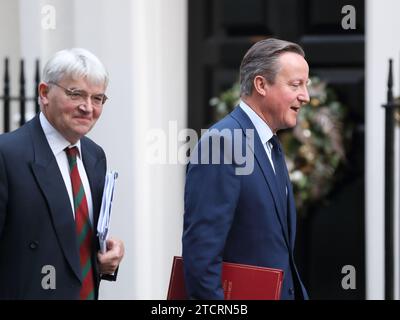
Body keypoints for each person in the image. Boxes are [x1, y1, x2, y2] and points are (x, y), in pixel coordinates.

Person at [182, 38, 310, 300]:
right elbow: (201, 256)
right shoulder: (221, 143)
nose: (305, 96)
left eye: (305, 85)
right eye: (296, 85)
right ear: (261, 84)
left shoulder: (271, 144)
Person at [0, 48, 124, 299]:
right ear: (44, 93)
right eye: (75, 94)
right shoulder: (6, 155)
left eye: (97, 98)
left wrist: (109, 254)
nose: (87, 107)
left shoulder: (94, 156)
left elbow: (74, 243)